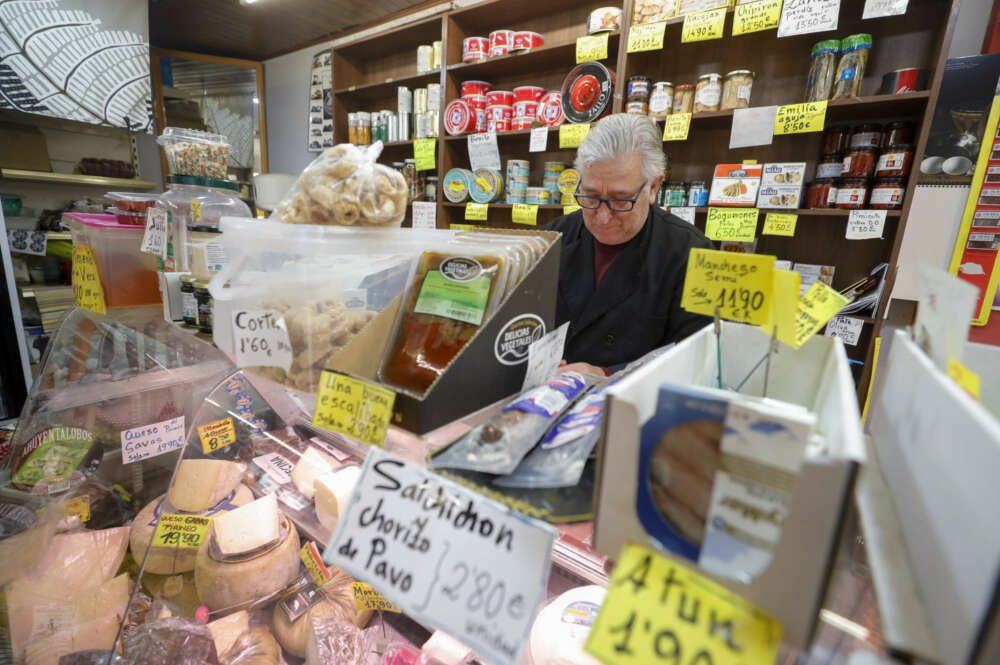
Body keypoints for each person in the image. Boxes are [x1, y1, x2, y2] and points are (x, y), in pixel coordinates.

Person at [547, 113, 713, 376]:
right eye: (590, 197)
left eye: (621, 200)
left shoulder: (693, 253)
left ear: (655, 187)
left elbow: (697, 355)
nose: (602, 217)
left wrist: (608, 374)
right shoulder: (555, 236)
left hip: (635, 404)